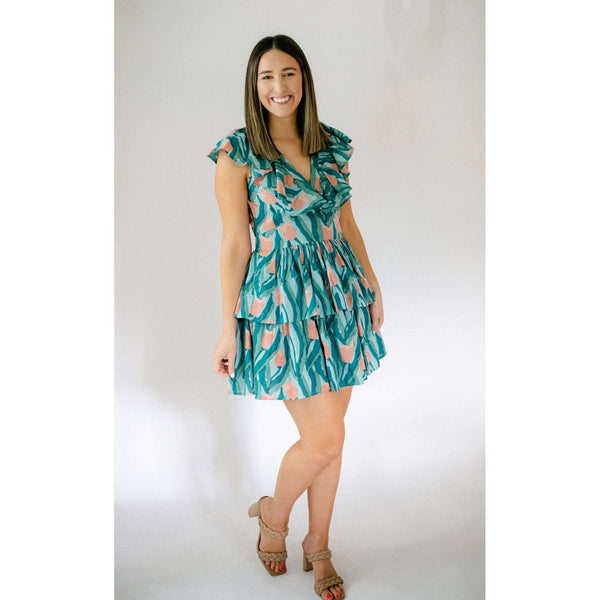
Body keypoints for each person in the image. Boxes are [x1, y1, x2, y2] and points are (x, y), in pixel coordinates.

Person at [207, 34, 387, 600]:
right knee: (324, 436)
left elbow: (346, 224)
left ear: (303, 79)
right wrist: (229, 324)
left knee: (332, 438)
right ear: (253, 86)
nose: (278, 87)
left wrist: (372, 283)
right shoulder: (238, 154)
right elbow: (235, 242)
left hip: (340, 296)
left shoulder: (331, 145)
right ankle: (274, 516)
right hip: (280, 306)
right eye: (266, 77)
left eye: (288, 74)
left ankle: (319, 543)